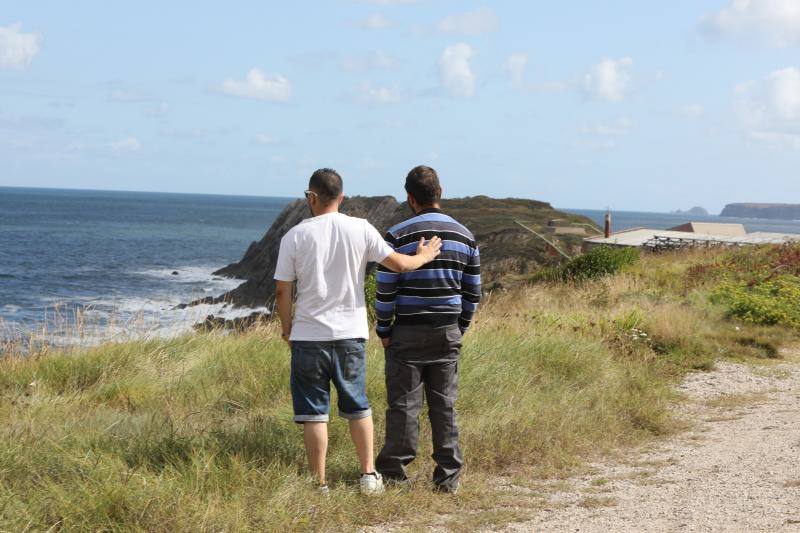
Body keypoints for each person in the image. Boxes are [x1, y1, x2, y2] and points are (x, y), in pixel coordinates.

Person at [273, 168, 442, 495]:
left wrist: (286, 329)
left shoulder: (295, 235)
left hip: (309, 335)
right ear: (342, 197)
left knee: (314, 413)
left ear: (311, 197)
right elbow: (399, 265)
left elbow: (282, 291)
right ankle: (368, 476)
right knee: (357, 406)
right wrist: (423, 256)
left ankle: (319, 484)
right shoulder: (360, 228)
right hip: (351, 333)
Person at [374, 165, 481, 494]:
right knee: (444, 403)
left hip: (406, 329)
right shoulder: (465, 236)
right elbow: (473, 292)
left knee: (404, 404)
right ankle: (448, 477)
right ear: (441, 191)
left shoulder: (397, 235)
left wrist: (383, 328)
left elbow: (385, 288)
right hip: (446, 328)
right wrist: (459, 326)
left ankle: (394, 474)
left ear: (410, 197)